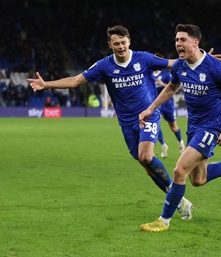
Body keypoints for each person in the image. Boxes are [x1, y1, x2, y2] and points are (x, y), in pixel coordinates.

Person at [28, 25, 199, 219]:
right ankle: (180, 200)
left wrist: (201, 59)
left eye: (123, 42)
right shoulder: (104, 65)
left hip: (149, 115)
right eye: (116, 43)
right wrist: (46, 84)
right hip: (126, 123)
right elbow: (75, 81)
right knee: (149, 170)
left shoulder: (144, 58)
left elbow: (173, 63)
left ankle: (176, 196)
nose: (120, 46)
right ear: (110, 45)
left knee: (145, 157)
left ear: (129, 41)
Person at [139, 24, 221, 232]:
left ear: (195, 42)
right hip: (193, 126)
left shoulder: (216, 67)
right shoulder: (180, 66)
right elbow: (171, 88)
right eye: (176, 40)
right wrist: (151, 108)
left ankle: (163, 221)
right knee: (198, 179)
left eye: (182, 40)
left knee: (179, 170)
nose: (178, 44)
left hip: (211, 127)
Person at [150, 53, 185, 159]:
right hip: (156, 104)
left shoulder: (166, 74)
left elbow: (175, 88)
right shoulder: (150, 74)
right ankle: (164, 145)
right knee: (156, 124)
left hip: (168, 104)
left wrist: (162, 84)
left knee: (173, 127)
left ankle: (181, 143)